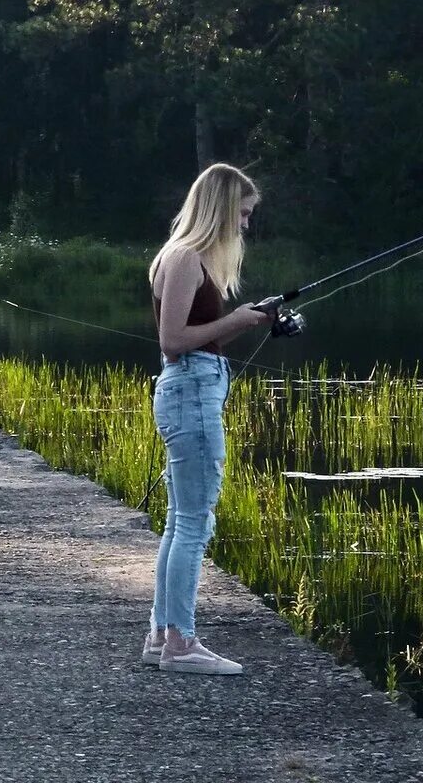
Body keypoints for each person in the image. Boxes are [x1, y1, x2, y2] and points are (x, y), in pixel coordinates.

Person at [142, 163, 273, 675]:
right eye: (241, 214)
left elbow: (196, 335)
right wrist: (237, 320)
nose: (244, 225)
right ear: (220, 209)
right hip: (191, 391)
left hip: (194, 388)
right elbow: (172, 342)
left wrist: (241, 322)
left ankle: (161, 635)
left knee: (181, 521)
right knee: (195, 522)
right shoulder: (185, 259)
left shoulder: (186, 259)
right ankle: (180, 643)